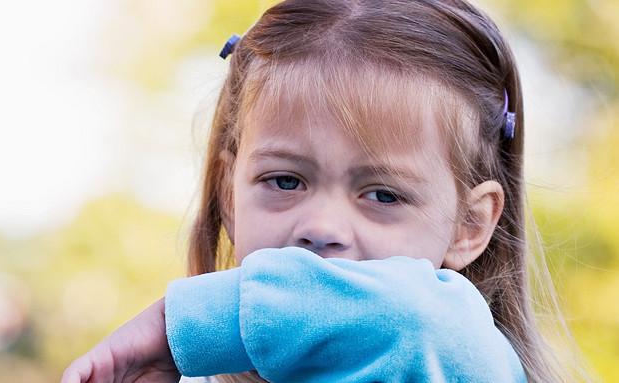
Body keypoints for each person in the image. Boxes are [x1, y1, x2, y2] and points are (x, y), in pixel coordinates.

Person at [62, 0, 588, 382]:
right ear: (229, 194)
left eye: (383, 195)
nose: (322, 228)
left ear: (469, 226)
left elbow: (411, 316)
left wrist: (177, 327)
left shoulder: (457, 355)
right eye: (285, 181)